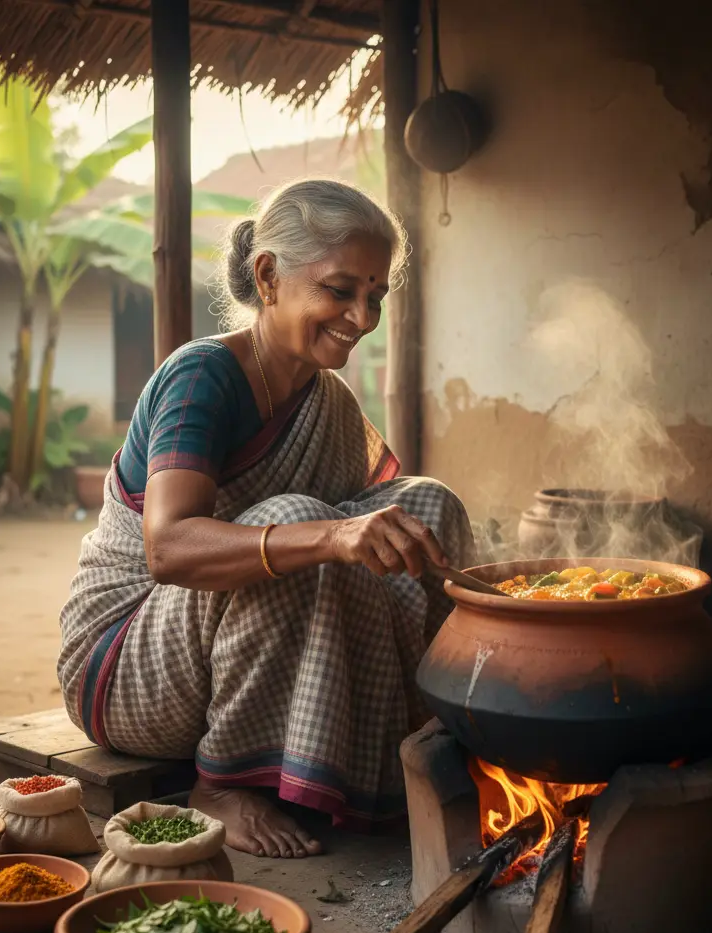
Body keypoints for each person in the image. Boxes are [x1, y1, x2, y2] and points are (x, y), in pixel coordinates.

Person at [58, 178, 474, 860]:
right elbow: (169, 550)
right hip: (126, 661)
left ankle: (415, 735)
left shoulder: (326, 398)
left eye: (375, 295)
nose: (363, 317)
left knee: (425, 506)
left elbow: (377, 522)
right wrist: (332, 536)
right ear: (269, 275)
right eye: (340, 290)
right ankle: (220, 784)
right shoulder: (203, 377)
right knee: (299, 524)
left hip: (213, 651)